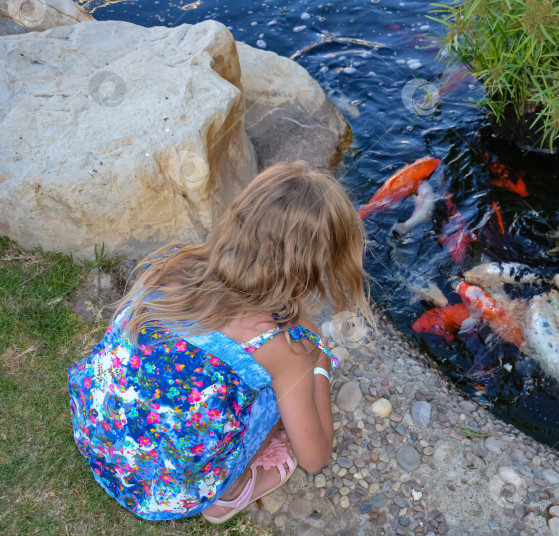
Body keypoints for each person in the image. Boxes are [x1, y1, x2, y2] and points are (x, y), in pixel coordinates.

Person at [68, 161, 372, 523]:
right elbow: (314, 457)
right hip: (163, 494)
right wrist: (317, 365)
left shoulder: (172, 263)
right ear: (313, 266)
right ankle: (229, 493)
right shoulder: (279, 344)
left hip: (96, 436)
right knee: (283, 387)